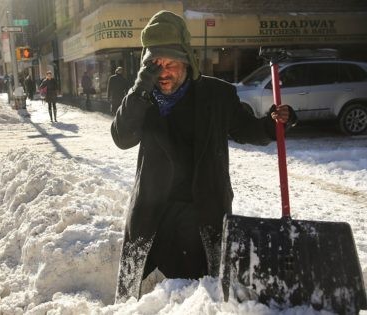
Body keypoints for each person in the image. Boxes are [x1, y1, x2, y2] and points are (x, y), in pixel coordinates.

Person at [111, 10, 296, 303]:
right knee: (143, 298)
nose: (163, 73)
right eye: (154, 65)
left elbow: (248, 130)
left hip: (203, 212)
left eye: (170, 63)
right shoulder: (141, 98)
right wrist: (139, 87)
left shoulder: (217, 95)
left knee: (205, 296)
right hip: (154, 216)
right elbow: (122, 137)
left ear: (187, 60)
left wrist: (274, 125)